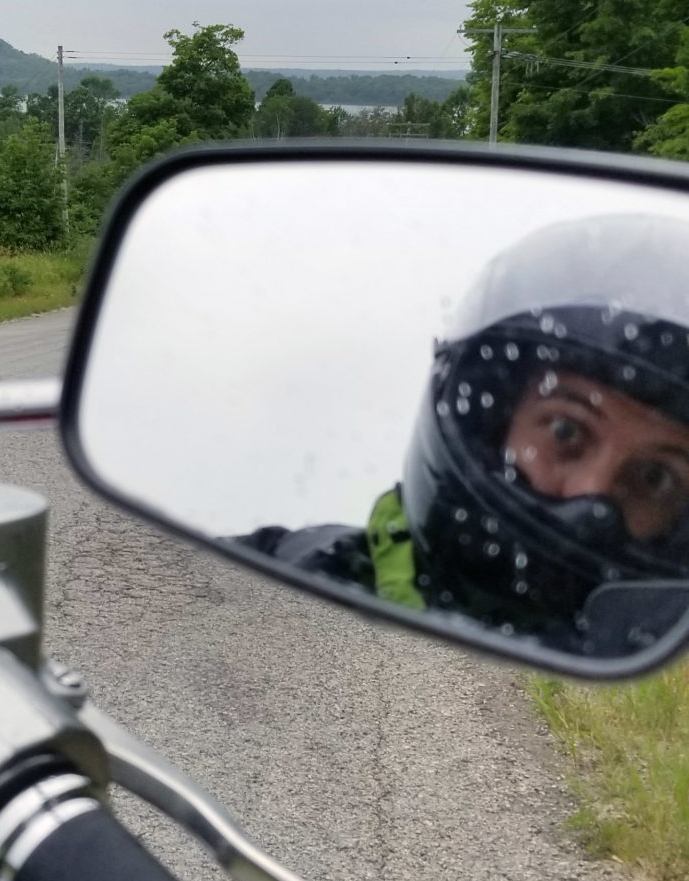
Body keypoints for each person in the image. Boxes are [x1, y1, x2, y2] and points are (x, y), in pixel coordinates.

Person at [238, 211, 689, 657]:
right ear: (488, 422)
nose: (592, 494)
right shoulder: (288, 570)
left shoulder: (664, 660)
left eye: (656, 478)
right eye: (565, 429)